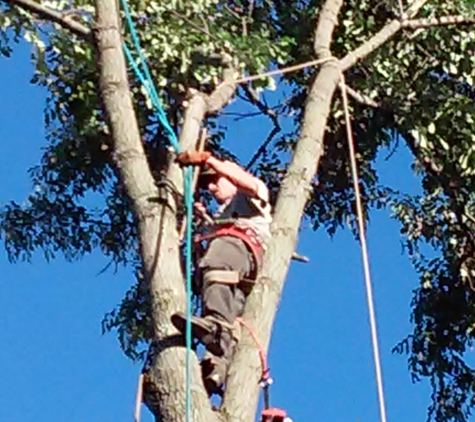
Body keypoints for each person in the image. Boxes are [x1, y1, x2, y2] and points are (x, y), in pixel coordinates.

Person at [171, 149, 272, 395]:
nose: (213, 187)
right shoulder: (220, 216)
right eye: (208, 185)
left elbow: (245, 182)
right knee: (230, 316)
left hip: (241, 247)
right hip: (238, 270)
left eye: (216, 180)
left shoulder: (251, 194)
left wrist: (209, 161)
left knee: (216, 262)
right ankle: (215, 370)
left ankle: (215, 328)